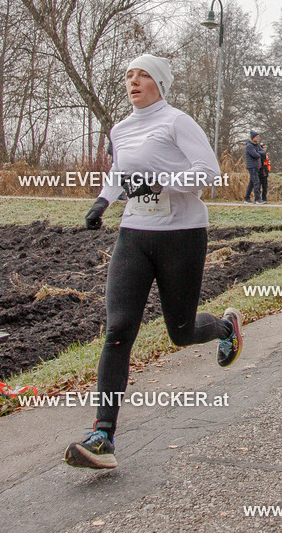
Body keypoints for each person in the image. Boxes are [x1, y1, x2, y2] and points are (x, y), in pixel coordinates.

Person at [66, 54, 243, 470]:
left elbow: (208, 172)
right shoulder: (122, 129)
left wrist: (162, 181)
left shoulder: (177, 122)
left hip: (181, 234)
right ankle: (103, 435)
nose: (133, 81)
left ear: (160, 83)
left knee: (180, 332)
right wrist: (102, 201)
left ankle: (223, 326)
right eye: (128, 75)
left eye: (143, 75)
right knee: (118, 327)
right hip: (134, 234)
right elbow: (120, 172)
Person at [244, 130, 265, 204]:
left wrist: (258, 153)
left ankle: (247, 198)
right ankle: (257, 199)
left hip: (256, 166)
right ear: (253, 138)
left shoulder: (257, 145)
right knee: (256, 181)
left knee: (252, 182)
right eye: (256, 137)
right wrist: (259, 153)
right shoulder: (249, 146)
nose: (258, 138)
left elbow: (263, 152)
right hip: (252, 166)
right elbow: (255, 155)